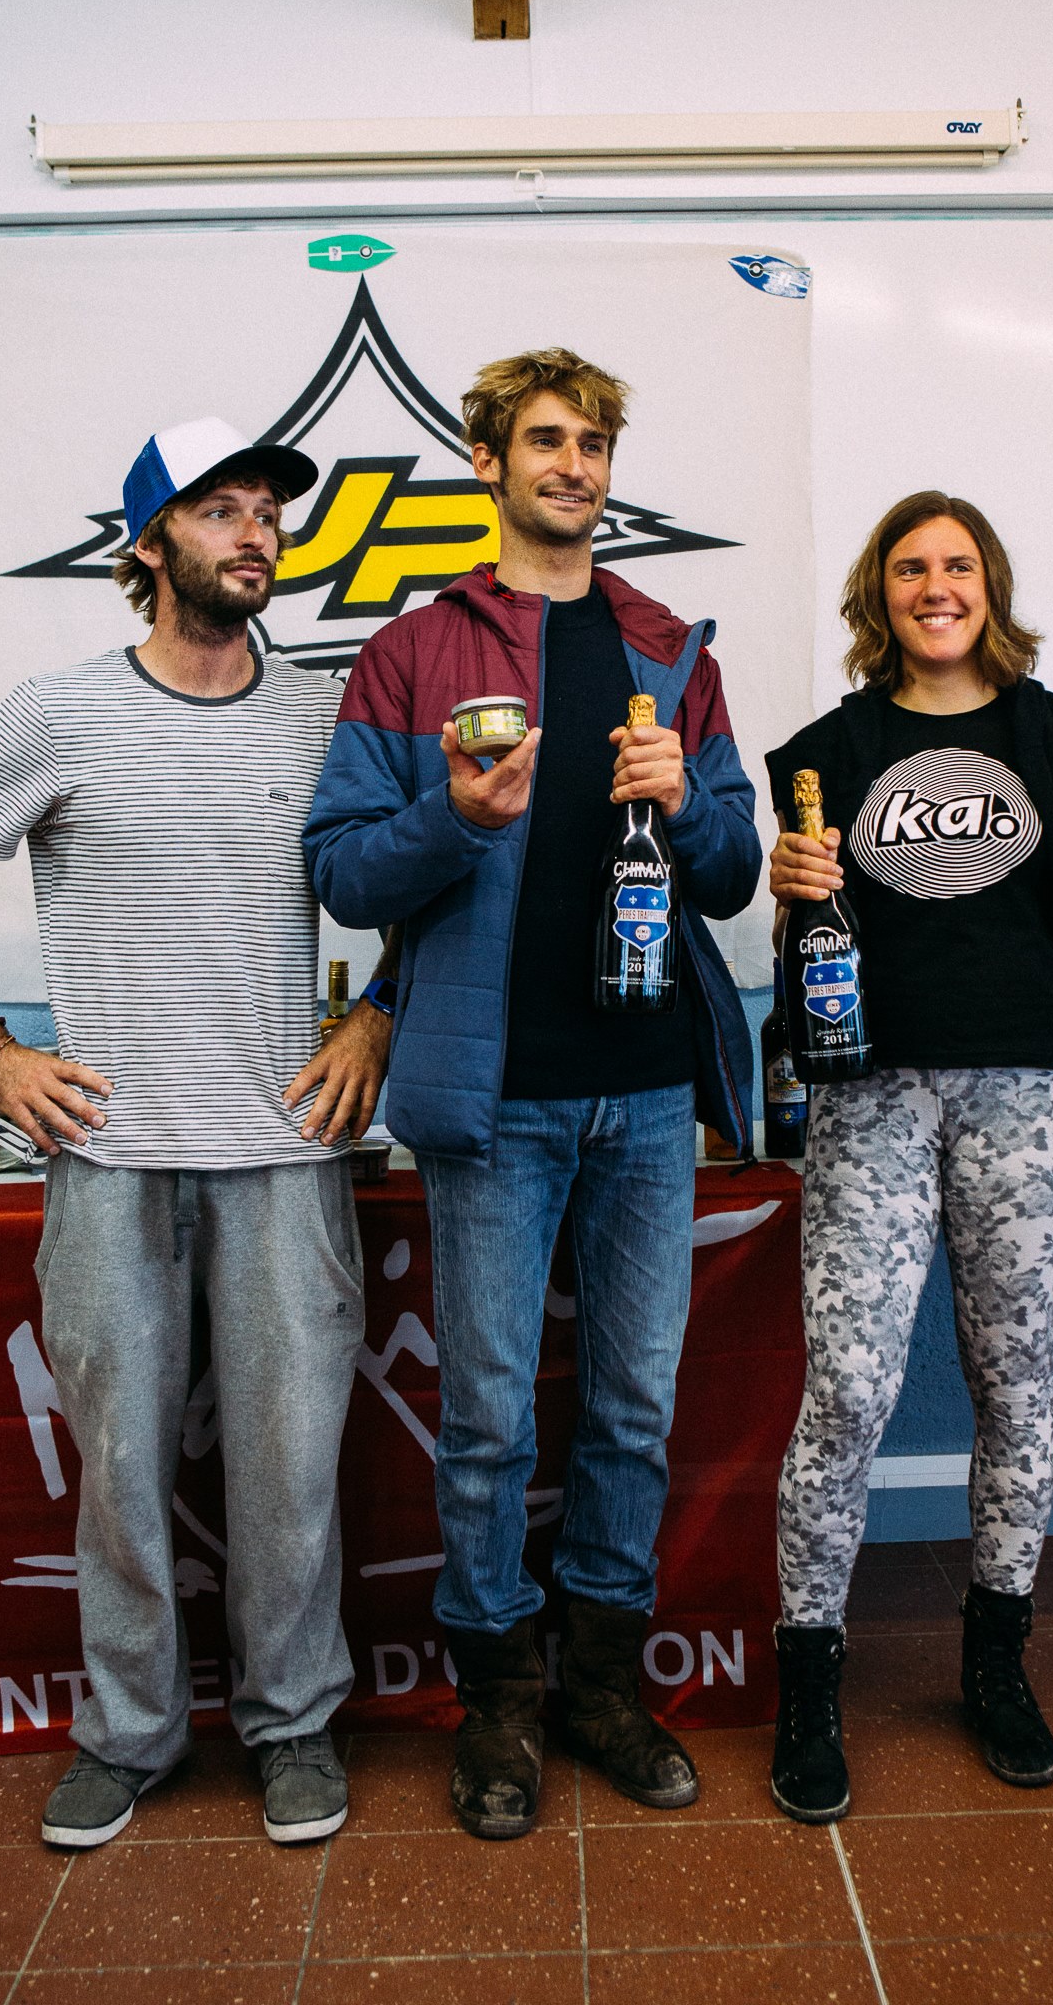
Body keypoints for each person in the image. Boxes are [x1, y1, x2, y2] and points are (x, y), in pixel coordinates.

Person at [0, 418, 394, 1849]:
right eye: (218, 511)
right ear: (148, 546)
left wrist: (380, 1020)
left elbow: (427, 864)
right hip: (109, 1158)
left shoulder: (322, 714)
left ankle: (293, 1726)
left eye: (266, 513)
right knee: (119, 1469)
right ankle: (128, 1733)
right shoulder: (56, 713)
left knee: (293, 1469)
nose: (255, 534)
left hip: (287, 1152)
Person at [304, 349, 761, 1838]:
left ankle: (603, 1687)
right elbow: (341, 866)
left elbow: (738, 870)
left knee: (631, 1406)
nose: (574, 464)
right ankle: (496, 1698)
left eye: (595, 444)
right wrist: (453, 814)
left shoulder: (669, 649)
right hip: (489, 1102)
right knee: (492, 1415)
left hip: (643, 1096)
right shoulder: (415, 650)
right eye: (546, 441)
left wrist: (689, 809)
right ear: (487, 462)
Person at [762, 491, 1053, 1821]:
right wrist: (793, 886)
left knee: (1013, 1381)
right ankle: (810, 1676)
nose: (935, 586)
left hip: (1022, 1095)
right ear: (882, 592)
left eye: (956, 564)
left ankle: (997, 1660)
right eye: (910, 567)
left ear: (990, 584)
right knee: (847, 1394)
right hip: (867, 1103)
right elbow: (799, 920)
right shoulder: (823, 752)